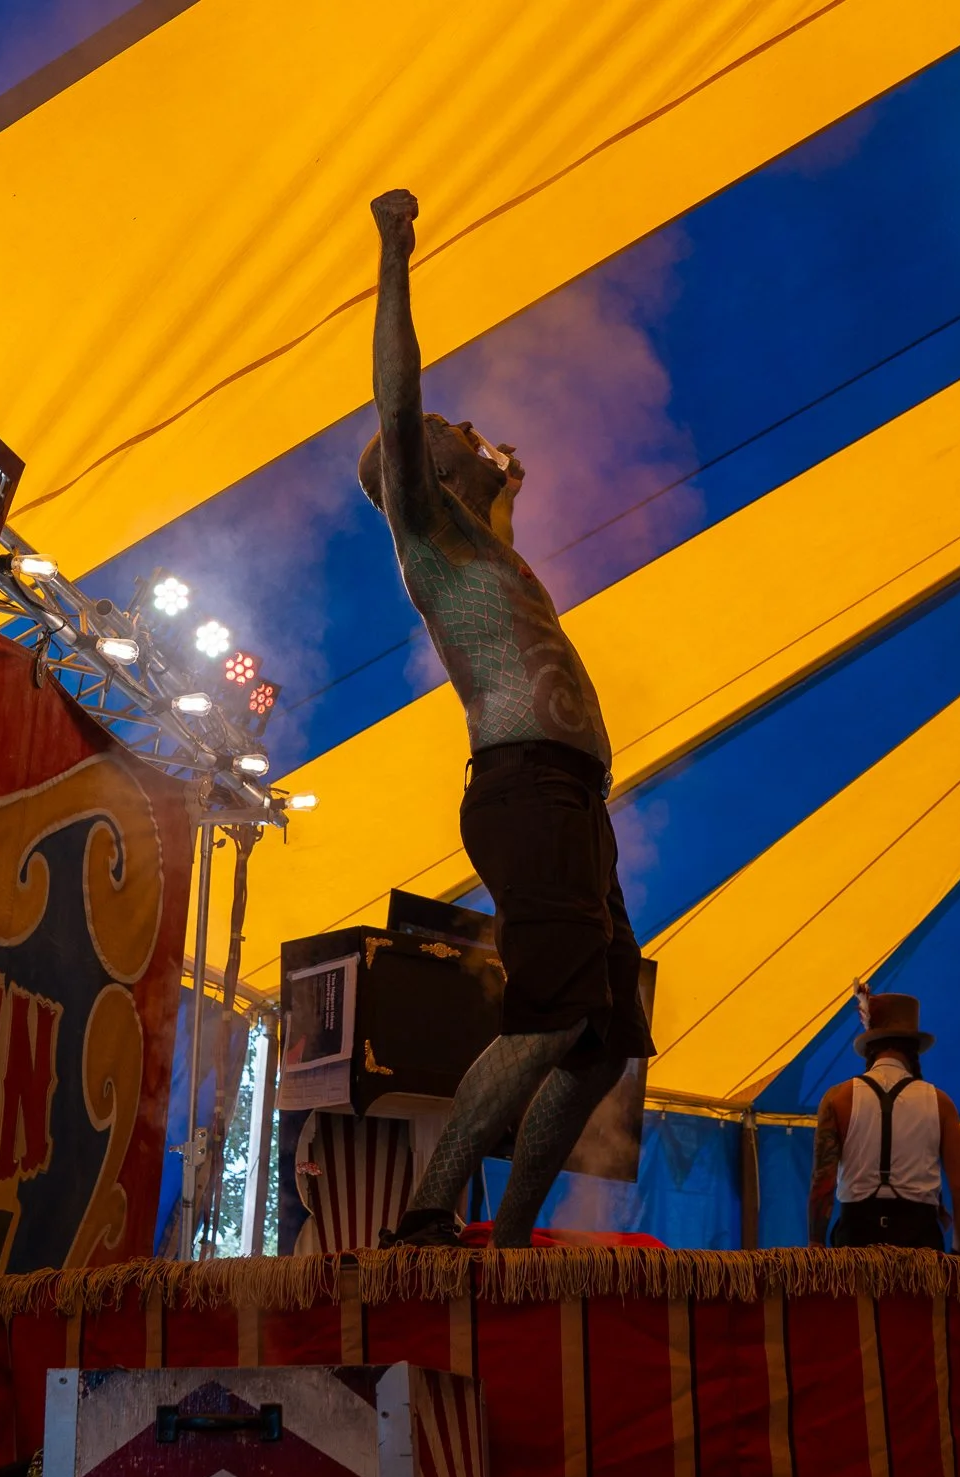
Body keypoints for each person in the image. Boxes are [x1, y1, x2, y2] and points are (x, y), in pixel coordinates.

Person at [364, 188, 655, 1251]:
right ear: (424, 472)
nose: (474, 433)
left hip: (572, 793)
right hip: (524, 783)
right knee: (548, 1013)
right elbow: (398, 404)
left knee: (603, 1041)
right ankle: (429, 1214)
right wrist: (394, 254)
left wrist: (507, 485)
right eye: (459, 435)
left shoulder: (489, 547)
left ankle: (513, 1235)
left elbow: (494, 502)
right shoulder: (424, 533)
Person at [806, 991, 960, 1252]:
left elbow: (822, 1181)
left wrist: (816, 1242)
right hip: (921, 1246)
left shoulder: (838, 1098)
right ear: (914, 1049)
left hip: (855, 1243)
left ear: (869, 1046)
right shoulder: (940, 1103)